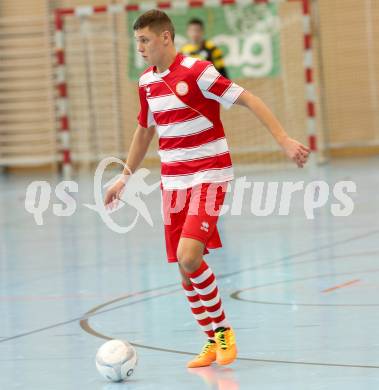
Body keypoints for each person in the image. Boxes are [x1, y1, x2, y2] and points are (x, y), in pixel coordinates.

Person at [104, 9, 310, 369]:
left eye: (145, 40)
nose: (139, 48)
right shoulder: (146, 83)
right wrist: (124, 176)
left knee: (189, 256)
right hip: (174, 182)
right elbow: (144, 131)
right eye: (136, 41)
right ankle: (210, 342)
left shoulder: (198, 72)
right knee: (185, 270)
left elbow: (249, 98)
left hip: (209, 175)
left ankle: (224, 331)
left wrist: (283, 139)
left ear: (165, 37)